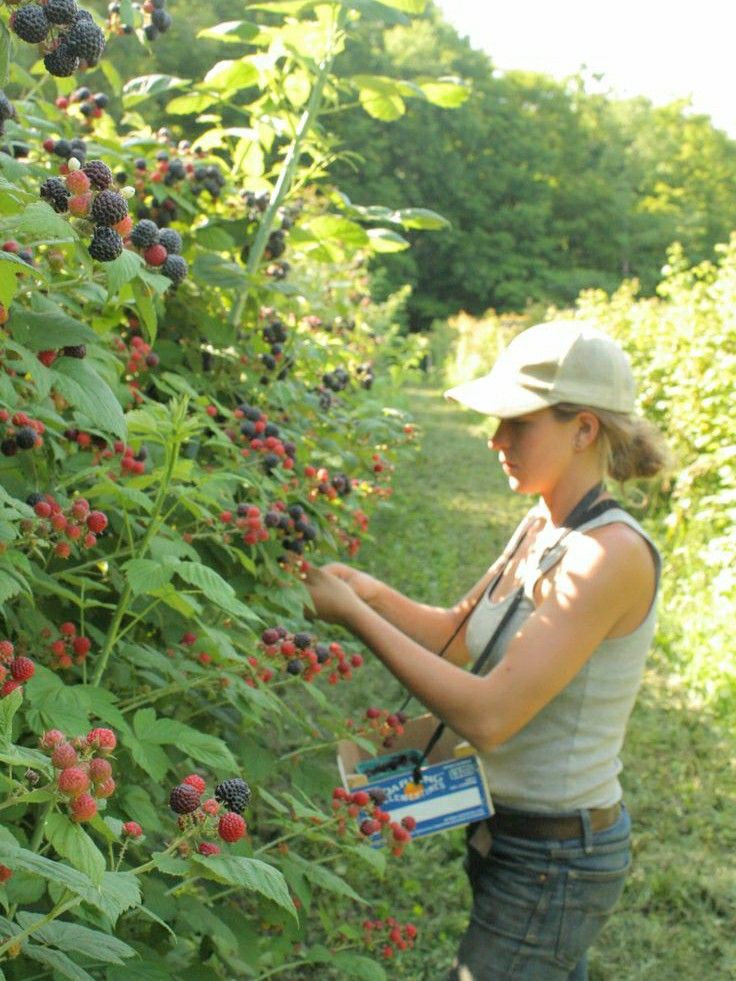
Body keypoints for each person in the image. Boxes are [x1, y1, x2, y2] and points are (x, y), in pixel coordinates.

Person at [304, 319, 670, 980]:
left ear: (583, 429)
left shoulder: (608, 555)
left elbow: (490, 715)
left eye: (517, 424)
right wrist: (370, 592)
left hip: (556, 860)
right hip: (510, 834)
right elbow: (459, 633)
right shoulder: (543, 522)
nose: (496, 440)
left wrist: (354, 616)